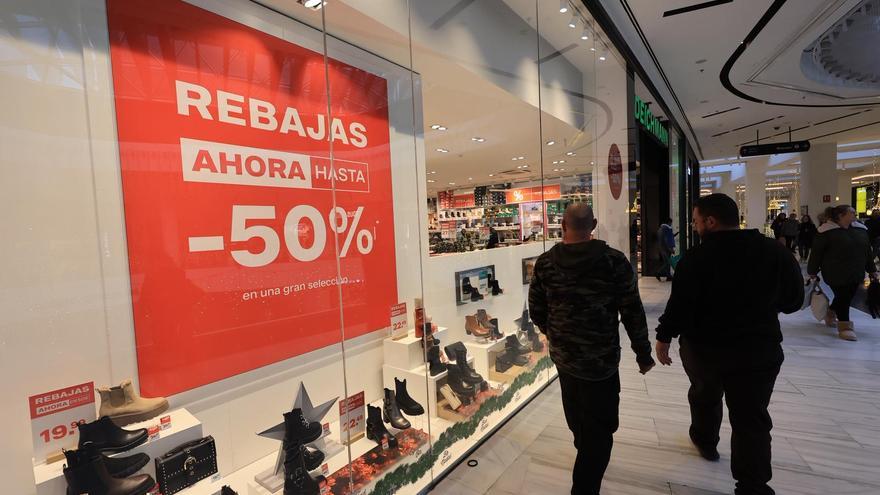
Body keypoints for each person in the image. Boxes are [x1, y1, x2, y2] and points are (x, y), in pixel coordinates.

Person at [655, 194, 804, 495]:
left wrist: (664, 336)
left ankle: (705, 440)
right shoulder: (774, 252)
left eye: (696, 221)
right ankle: (753, 486)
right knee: (751, 418)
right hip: (758, 350)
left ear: (710, 221)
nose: (695, 226)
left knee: (704, 395)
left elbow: (680, 306)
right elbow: (793, 302)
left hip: (705, 350)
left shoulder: (695, 259)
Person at [529, 203, 655, 495]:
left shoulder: (545, 263)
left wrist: (558, 335)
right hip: (601, 362)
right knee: (601, 427)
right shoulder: (613, 261)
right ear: (593, 225)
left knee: (576, 416)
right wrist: (643, 353)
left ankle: (586, 451)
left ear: (563, 225)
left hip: (565, 360)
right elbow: (632, 312)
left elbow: (536, 310)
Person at [808, 205, 879, 341]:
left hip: (856, 271)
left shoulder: (860, 230)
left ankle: (831, 312)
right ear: (841, 215)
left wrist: (872, 270)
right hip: (834, 272)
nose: (855, 214)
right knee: (844, 296)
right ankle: (845, 326)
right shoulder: (826, 232)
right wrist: (812, 271)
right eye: (851, 212)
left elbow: (867, 252)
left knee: (846, 296)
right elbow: (816, 253)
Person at [656, 217, 675, 282]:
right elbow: (667, 240)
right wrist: (671, 249)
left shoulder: (660, 229)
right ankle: (658, 273)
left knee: (667, 263)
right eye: (671, 223)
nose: (671, 224)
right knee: (667, 263)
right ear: (669, 222)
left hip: (661, 248)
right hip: (666, 249)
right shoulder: (668, 229)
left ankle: (668, 276)